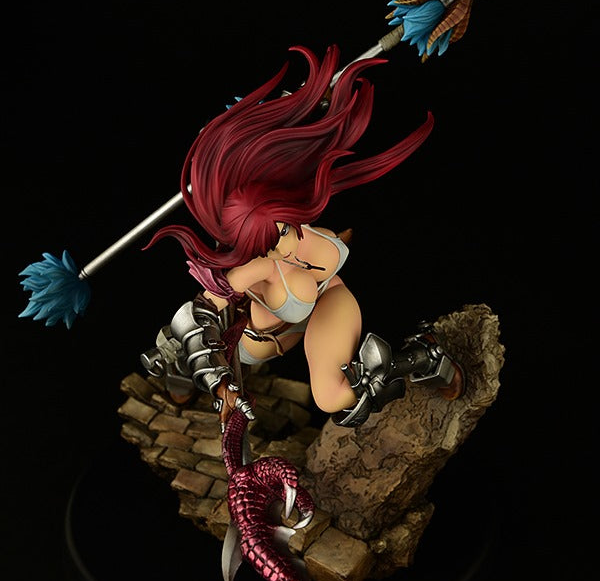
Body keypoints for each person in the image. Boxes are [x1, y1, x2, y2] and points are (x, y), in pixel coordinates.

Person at [141, 44, 463, 429]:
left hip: (327, 301)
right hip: (251, 339)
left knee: (336, 399)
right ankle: (179, 368)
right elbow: (200, 313)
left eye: (280, 229)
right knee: (181, 339)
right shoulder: (256, 265)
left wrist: (307, 106)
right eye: (267, 244)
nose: (282, 245)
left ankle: (423, 357)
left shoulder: (298, 214)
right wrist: (220, 383)